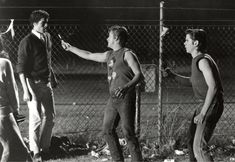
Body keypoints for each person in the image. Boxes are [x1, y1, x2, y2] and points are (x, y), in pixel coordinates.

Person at [62, 25, 143, 162]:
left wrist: (126, 87)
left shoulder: (127, 54)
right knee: (107, 130)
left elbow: (139, 75)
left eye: (109, 36)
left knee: (128, 132)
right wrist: (70, 48)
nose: (107, 38)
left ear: (116, 38)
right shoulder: (109, 55)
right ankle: (118, 159)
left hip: (125, 98)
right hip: (113, 99)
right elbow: (88, 55)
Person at [165, 29, 224, 162]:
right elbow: (192, 81)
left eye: (187, 40)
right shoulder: (197, 60)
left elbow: (213, 87)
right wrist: (172, 75)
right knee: (191, 142)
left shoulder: (203, 61)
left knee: (199, 147)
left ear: (196, 43)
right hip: (204, 105)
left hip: (210, 105)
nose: (184, 43)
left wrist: (203, 113)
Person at [16, 10, 57, 161]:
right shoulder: (26, 42)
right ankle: (35, 152)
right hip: (32, 83)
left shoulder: (47, 37)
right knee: (36, 118)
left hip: (46, 82)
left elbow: (47, 59)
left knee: (51, 117)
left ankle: (44, 148)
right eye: (43, 23)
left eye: (47, 22)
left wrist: (52, 76)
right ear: (34, 24)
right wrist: (26, 91)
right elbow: (21, 69)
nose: (46, 25)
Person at [0, 37, 32, 161]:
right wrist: (16, 110)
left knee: (6, 148)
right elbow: (12, 89)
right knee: (13, 149)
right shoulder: (3, 63)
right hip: (4, 113)